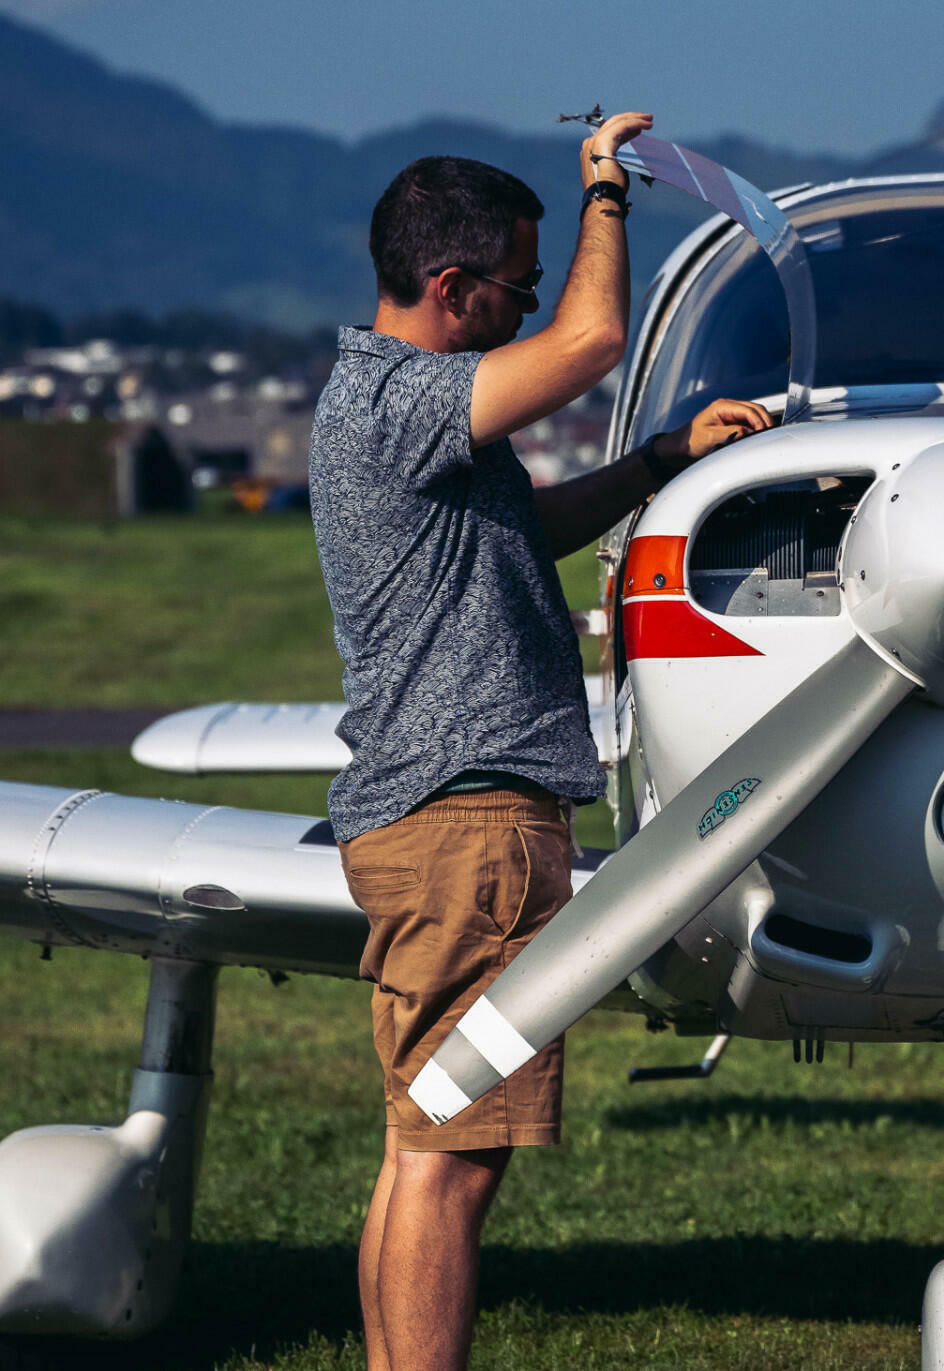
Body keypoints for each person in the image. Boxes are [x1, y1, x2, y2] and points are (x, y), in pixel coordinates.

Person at [307, 111, 772, 1371]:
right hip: (470, 825)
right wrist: (605, 194)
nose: (527, 308)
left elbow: (527, 531)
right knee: (453, 1160)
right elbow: (594, 341)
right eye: (517, 286)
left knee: (423, 1149)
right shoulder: (403, 400)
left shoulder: (398, 414)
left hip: (442, 820)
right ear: (452, 285)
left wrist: (659, 461)